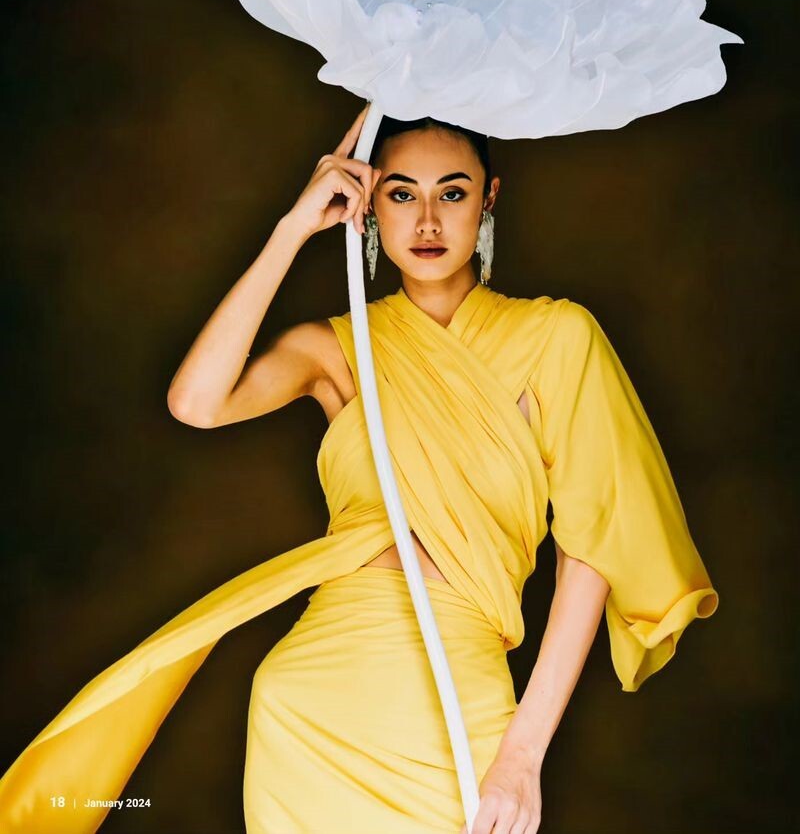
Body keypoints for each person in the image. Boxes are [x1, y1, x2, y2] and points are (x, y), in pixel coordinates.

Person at [0, 105, 719, 834]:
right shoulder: (340, 349)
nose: (428, 220)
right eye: (402, 193)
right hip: (311, 707)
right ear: (369, 201)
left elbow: (590, 553)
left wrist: (522, 755)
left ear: (490, 197)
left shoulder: (559, 336)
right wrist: (292, 228)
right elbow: (195, 403)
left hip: (462, 692)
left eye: (453, 192)